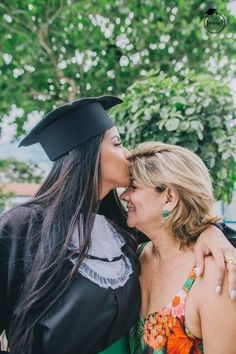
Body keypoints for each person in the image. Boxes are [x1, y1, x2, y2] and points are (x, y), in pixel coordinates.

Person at [0, 97, 235, 354]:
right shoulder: (23, 227)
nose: (127, 154)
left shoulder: (121, 230)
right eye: (117, 143)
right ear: (88, 154)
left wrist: (212, 232)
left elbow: (178, 233)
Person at [120, 141, 236, 354]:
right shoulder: (133, 256)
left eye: (134, 187)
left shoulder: (213, 276)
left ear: (169, 198)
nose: (124, 195)